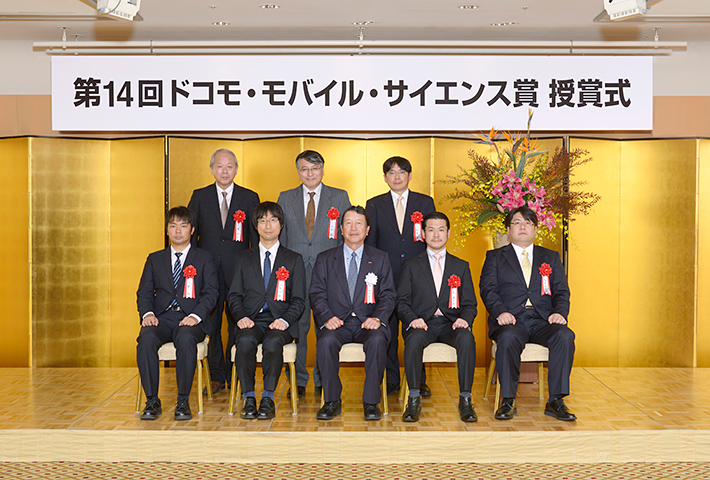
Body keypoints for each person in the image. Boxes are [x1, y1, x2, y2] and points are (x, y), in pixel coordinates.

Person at [479, 206, 576, 421]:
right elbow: (488, 289)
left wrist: (560, 312)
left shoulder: (550, 257)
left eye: (528, 223)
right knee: (508, 337)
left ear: (535, 229)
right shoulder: (495, 257)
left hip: (543, 319)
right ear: (508, 229)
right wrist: (500, 312)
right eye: (517, 223)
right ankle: (507, 400)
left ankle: (556, 400)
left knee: (565, 335)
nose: (522, 227)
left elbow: (561, 290)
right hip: (511, 319)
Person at [310, 206, 396, 421]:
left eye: (359, 223)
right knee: (326, 342)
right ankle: (331, 401)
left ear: (367, 230)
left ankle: (370, 402)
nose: (353, 228)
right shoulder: (325, 258)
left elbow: (388, 295)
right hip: (336, 323)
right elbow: (317, 294)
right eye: (348, 223)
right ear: (341, 229)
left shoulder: (380, 258)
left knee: (377, 341)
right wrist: (326, 317)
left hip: (368, 323)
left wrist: (377, 318)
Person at [277, 150, 351, 398]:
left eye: (314, 168)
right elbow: (281, 237)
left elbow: (347, 237)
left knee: (326, 328)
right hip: (295, 273)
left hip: (328, 274)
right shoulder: (285, 197)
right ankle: (297, 380)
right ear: (298, 172)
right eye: (304, 169)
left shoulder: (339, 197)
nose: (310, 173)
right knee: (297, 329)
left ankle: (323, 378)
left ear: (323, 169)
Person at [188, 148, 260, 394]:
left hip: (239, 272)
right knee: (211, 323)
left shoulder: (249, 197)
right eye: (220, 166)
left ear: (236, 169)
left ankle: (236, 372)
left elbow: (255, 240)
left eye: (230, 166)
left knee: (239, 323)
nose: (225, 170)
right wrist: (193, 271)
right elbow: (191, 237)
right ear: (211, 169)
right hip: (207, 273)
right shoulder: (199, 196)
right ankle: (217, 375)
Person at [136, 206, 218, 421]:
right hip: (162, 317)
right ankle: (152, 400)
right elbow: (144, 292)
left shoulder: (204, 258)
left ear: (192, 230)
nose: (178, 231)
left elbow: (211, 293)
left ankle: (183, 399)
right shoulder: (155, 259)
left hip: (192, 319)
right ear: (167, 230)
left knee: (185, 338)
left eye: (183, 225)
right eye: (173, 226)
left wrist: (196, 316)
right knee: (146, 338)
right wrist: (147, 314)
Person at [227, 202, 306, 419]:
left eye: (273, 220)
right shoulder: (243, 258)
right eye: (262, 220)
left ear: (281, 225)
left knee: (273, 343)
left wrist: (285, 320)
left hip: (280, 322)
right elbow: (233, 295)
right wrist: (241, 317)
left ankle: (268, 398)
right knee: (244, 341)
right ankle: (249, 397)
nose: (267, 225)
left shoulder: (293, 259)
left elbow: (299, 300)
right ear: (255, 225)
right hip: (251, 320)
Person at [396, 211, 478, 422]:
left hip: (452, 325)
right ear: (423, 233)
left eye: (441, 230)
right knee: (413, 341)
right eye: (431, 229)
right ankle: (413, 399)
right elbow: (401, 301)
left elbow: (470, 303)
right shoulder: (411, 265)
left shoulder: (461, 266)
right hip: (423, 324)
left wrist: (465, 320)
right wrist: (412, 319)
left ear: (448, 233)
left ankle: (466, 400)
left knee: (467, 339)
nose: (436, 234)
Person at [365, 156, 436, 396]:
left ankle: (419, 380)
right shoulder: (374, 204)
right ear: (385, 177)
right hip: (385, 278)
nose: (397, 177)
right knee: (388, 331)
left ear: (410, 175)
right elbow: (371, 245)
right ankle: (392, 379)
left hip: (417, 278)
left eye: (401, 172)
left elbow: (432, 240)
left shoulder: (425, 202)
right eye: (391, 173)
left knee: (418, 328)